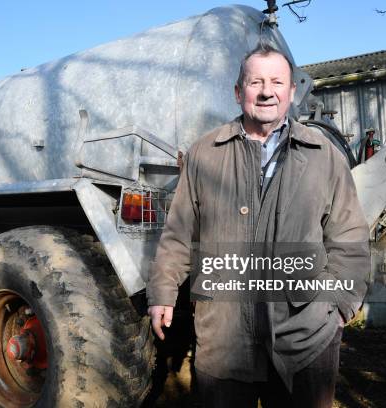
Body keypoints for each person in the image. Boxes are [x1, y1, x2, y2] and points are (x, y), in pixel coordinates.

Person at [146, 42, 370, 408]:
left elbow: (349, 238)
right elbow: (179, 234)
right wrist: (163, 293)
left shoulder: (323, 155)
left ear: (292, 92)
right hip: (225, 334)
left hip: (305, 335)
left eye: (278, 82)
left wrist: (339, 303)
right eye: (256, 82)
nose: (267, 91)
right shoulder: (206, 152)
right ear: (239, 92)